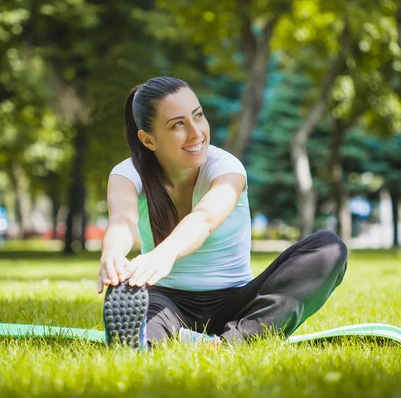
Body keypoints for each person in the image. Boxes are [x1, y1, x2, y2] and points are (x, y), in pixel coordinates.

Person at [98, 76, 348, 348]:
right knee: (140, 316)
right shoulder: (127, 174)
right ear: (148, 140)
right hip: (167, 302)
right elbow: (122, 221)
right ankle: (151, 338)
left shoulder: (227, 168)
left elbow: (204, 218)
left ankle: (234, 340)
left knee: (329, 248)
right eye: (178, 124)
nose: (196, 133)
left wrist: (164, 252)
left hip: (238, 302)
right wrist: (113, 255)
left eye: (198, 116)